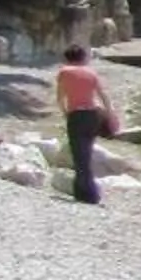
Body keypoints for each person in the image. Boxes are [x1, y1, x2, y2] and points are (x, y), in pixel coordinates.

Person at [54, 44, 119, 205]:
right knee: (86, 153)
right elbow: (103, 96)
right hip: (93, 115)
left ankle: (90, 194)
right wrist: (111, 115)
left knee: (79, 155)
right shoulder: (91, 73)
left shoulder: (64, 72)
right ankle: (81, 192)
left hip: (76, 114)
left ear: (67, 58)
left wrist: (65, 114)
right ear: (82, 57)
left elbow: (60, 98)